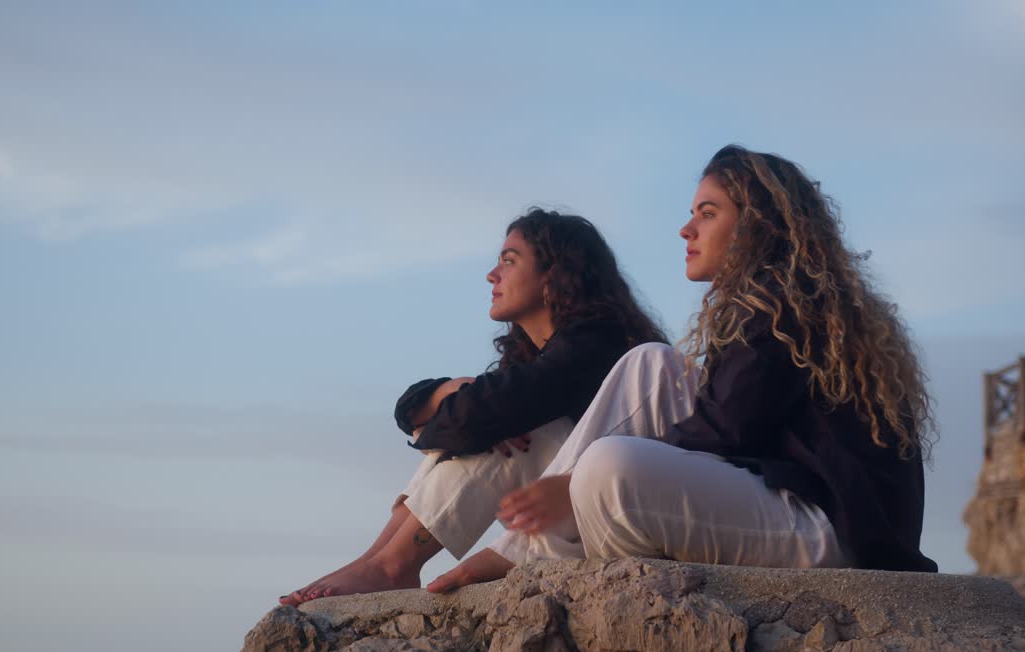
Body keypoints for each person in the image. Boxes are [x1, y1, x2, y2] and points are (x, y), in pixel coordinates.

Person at [427, 145, 938, 593]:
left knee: (605, 471)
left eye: (708, 213)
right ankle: (528, 548)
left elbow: (726, 431)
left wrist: (571, 486)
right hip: (799, 504)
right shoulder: (776, 300)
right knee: (653, 364)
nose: (686, 228)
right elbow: (730, 428)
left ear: (757, 225)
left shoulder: (784, 305)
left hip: (837, 530)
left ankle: (536, 556)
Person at [280, 208, 666, 604]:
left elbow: (469, 422)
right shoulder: (536, 361)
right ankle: (377, 560)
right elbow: (420, 411)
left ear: (553, 276)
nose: (492, 275)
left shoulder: (592, 344)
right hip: (560, 512)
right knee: (490, 421)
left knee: (514, 431)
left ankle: (391, 566)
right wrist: (445, 393)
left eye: (509, 261)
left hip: (609, 515)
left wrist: (460, 416)